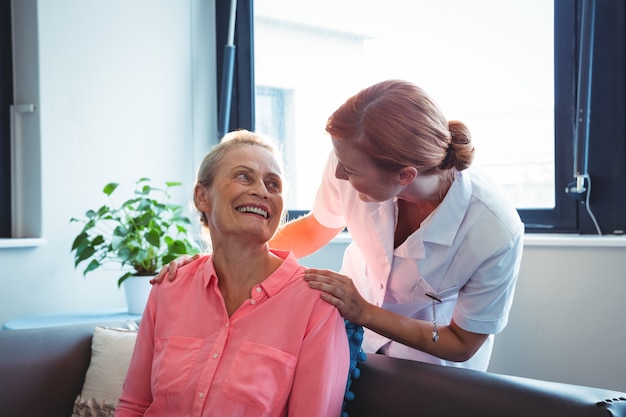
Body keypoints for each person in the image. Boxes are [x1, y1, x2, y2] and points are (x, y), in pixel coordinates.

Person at [156, 79, 524, 372]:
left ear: (404, 175)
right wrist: (217, 265)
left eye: (350, 169)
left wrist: (362, 310)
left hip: (431, 367)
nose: (338, 173)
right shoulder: (351, 154)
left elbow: (462, 342)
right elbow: (317, 227)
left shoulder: (494, 231)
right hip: (352, 344)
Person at [115, 130, 349, 417]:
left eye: (273, 184)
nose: (262, 191)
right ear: (202, 197)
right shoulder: (169, 287)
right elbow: (134, 405)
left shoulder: (316, 303)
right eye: (244, 176)